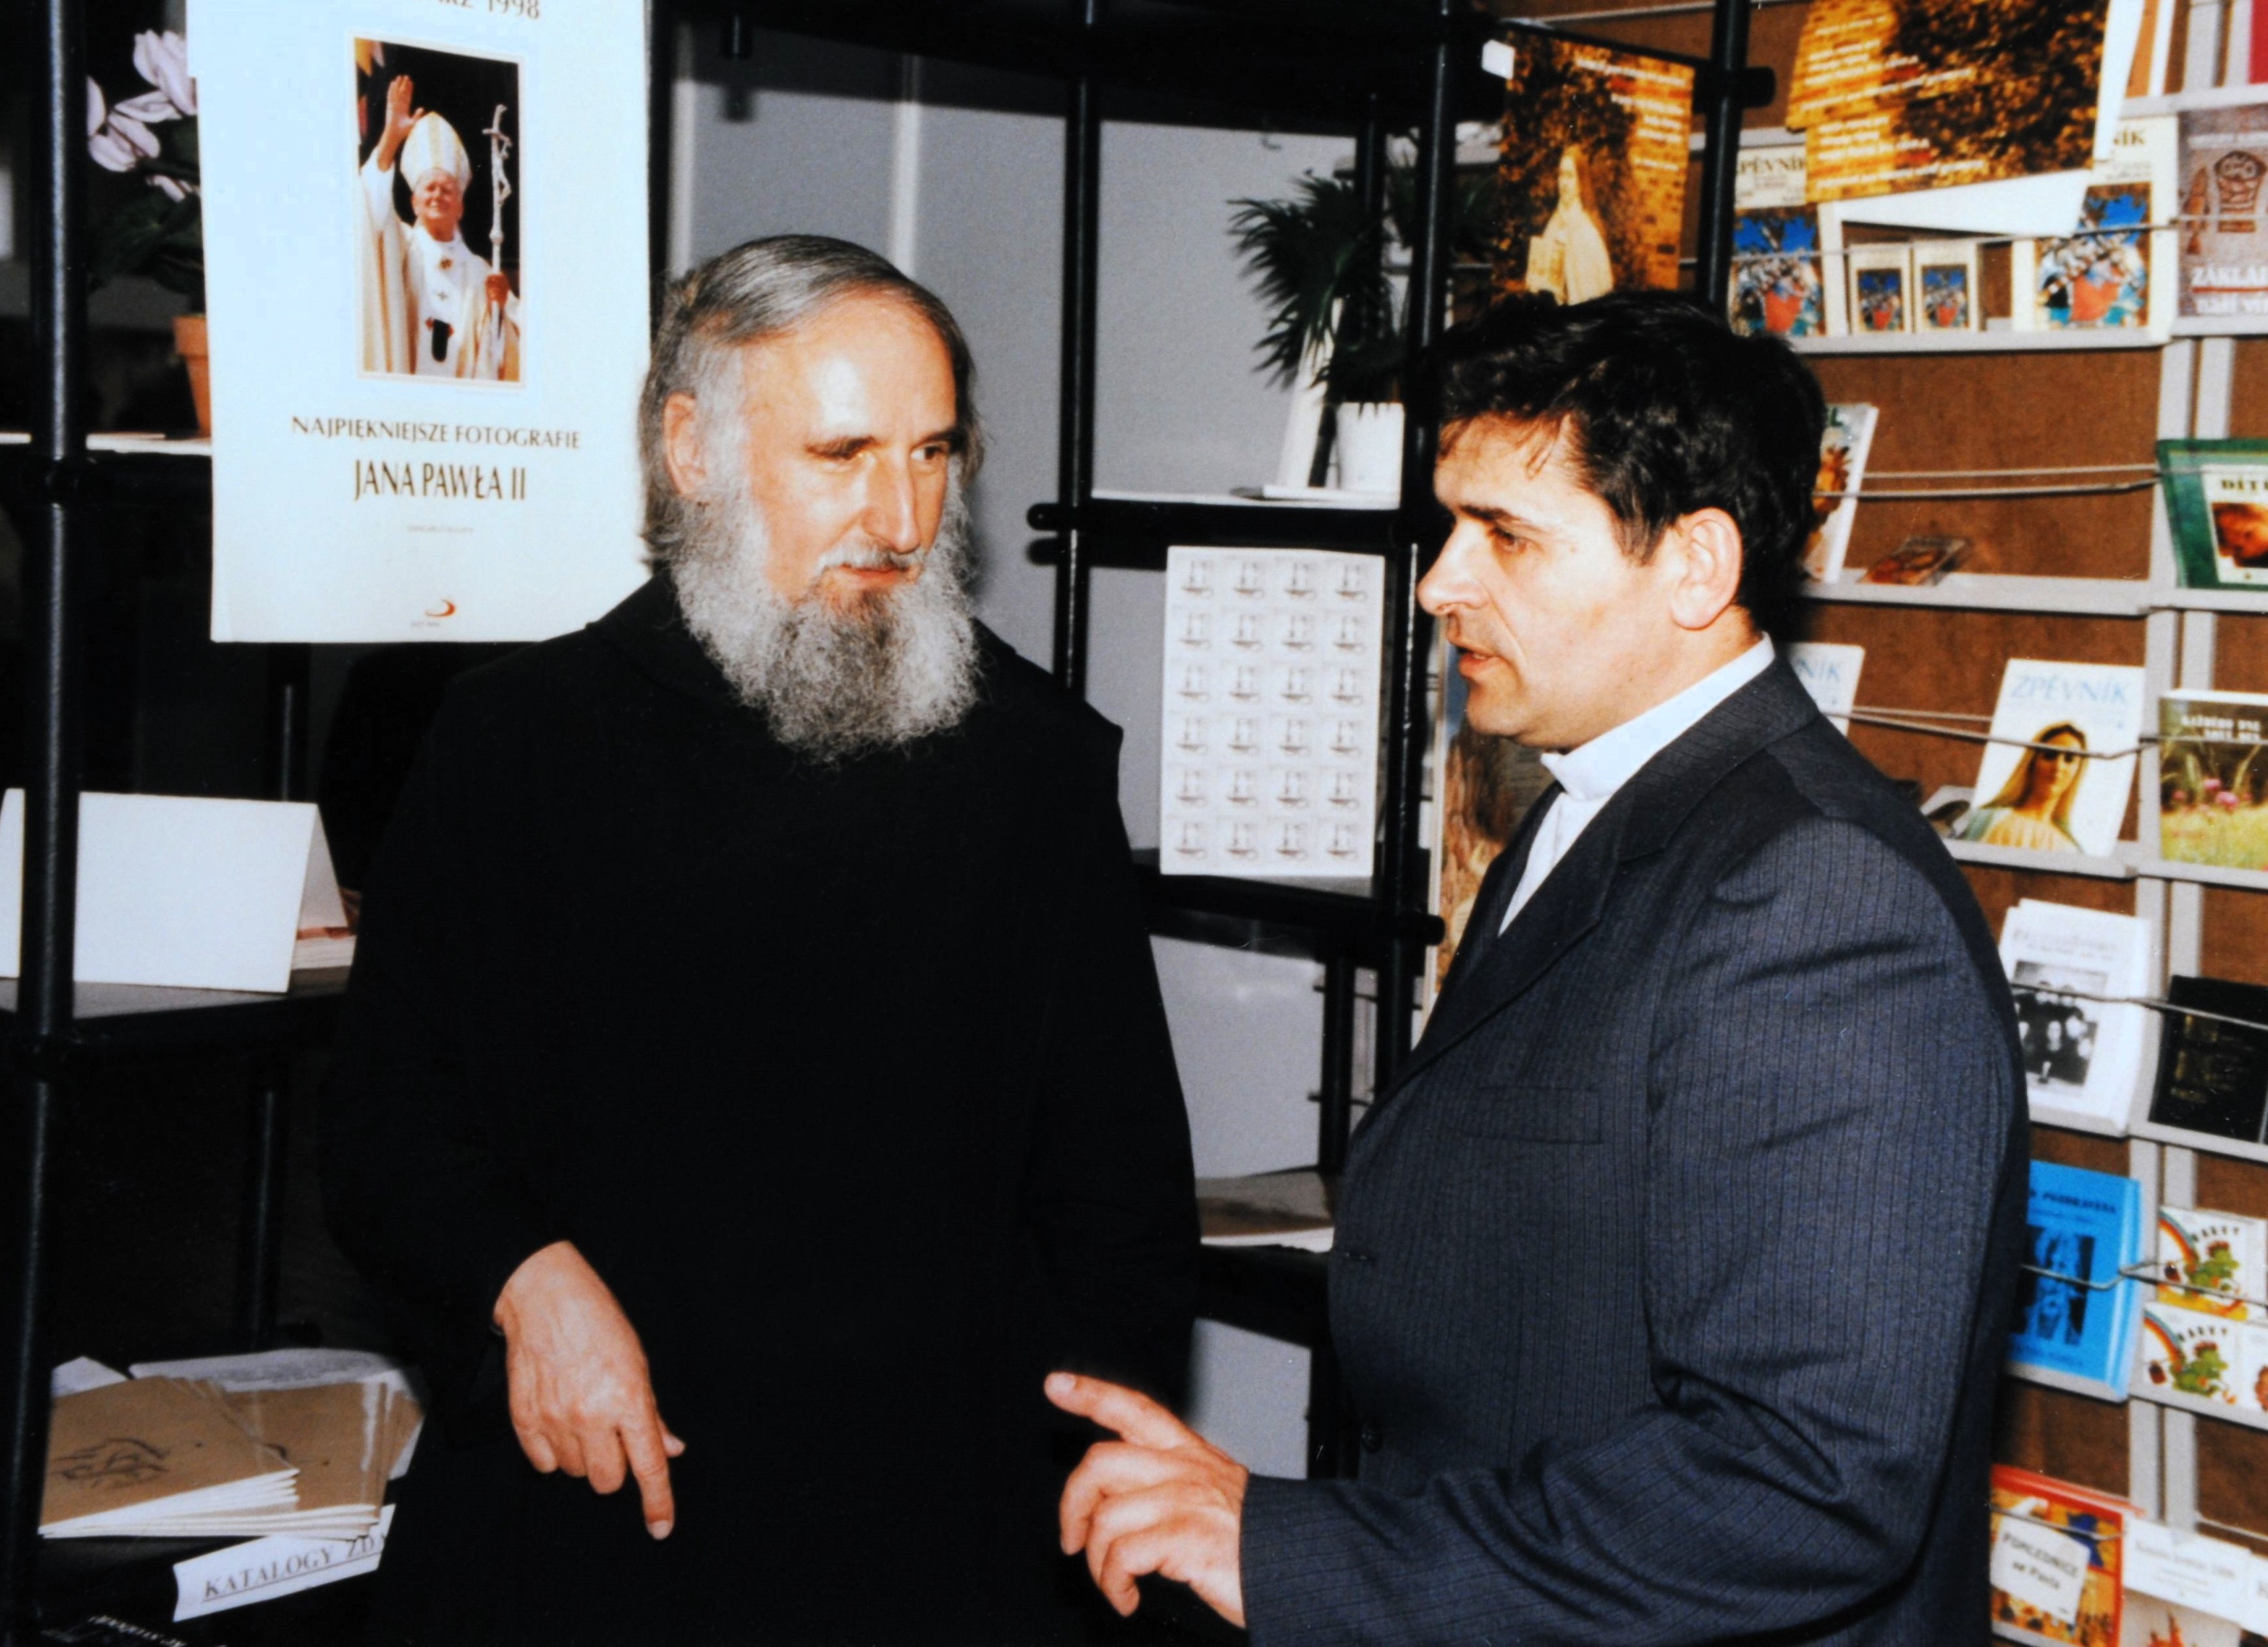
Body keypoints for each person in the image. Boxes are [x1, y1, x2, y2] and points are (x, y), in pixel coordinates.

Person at [1046, 292, 2028, 1645]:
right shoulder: (1599, 805)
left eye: (1505, 534)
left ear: (1693, 565)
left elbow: (1802, 1482)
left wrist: (1288, 1546)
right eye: (1452, 526)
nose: (1440, 581)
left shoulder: (1817, 894)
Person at [322, 235, 1199, 1645]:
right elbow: (387, 1120)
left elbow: (1120, 1200)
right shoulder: (516, 747)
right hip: (599, 1507)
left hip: (937, 1536)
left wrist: (1088, 1484)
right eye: (842, 455)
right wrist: (523, 1279)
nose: (900, 516)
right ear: (693, 452)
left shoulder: (1036, 768)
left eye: (932, 453)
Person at [360, 72, 521, 381]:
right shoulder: (400, 246)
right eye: (429, 188)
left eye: (447, 190)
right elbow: (369, 210)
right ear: (414, 202)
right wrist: (391, 139)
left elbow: (520, 346)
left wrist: (499, 310)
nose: (437, 196)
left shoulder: (480, 273)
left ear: (460, 207)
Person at [1955, 722, 2088, 852]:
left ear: (2078, 771)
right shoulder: (1981, 820)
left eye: (2069, 759)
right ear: (2032, 762)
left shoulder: (2070, 850)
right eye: (2050, 755)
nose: (2058, 767)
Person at [1524, 147, 1614, 306]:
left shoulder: (1587, 233)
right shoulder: (1554, 224)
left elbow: (1592, 293)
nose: (1564, 183)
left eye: (1570, 176)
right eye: (1561, 175)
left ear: (1580, 183)